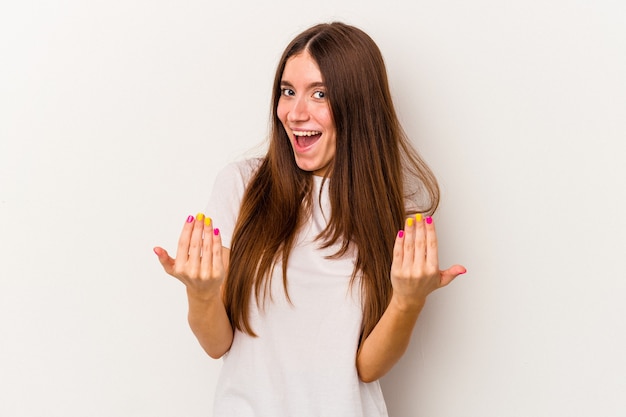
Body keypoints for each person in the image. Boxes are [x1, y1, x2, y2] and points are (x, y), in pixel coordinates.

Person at [154, 21, 466, 417]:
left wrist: (408, 301)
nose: (295, 113)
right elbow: (217, 344)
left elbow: (366, 368)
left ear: (358, 104)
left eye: (320, 94)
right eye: (288, 92)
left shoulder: (389, 211)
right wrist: (200, 293)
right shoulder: (242, 186)